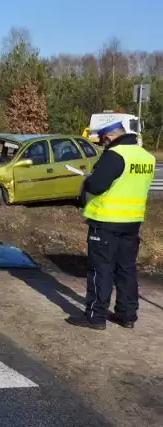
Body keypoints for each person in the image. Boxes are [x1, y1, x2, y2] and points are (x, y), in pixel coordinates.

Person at [66, 121, 155, 330]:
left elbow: (97, 186)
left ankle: (95, 316)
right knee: (126, 269)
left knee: (101, 269)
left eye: (104, 141)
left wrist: (89, 179)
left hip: (106, 222)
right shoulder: (146, 156)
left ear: (109, 138)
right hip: (132, 222)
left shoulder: (115, 155)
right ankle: (127, 314)